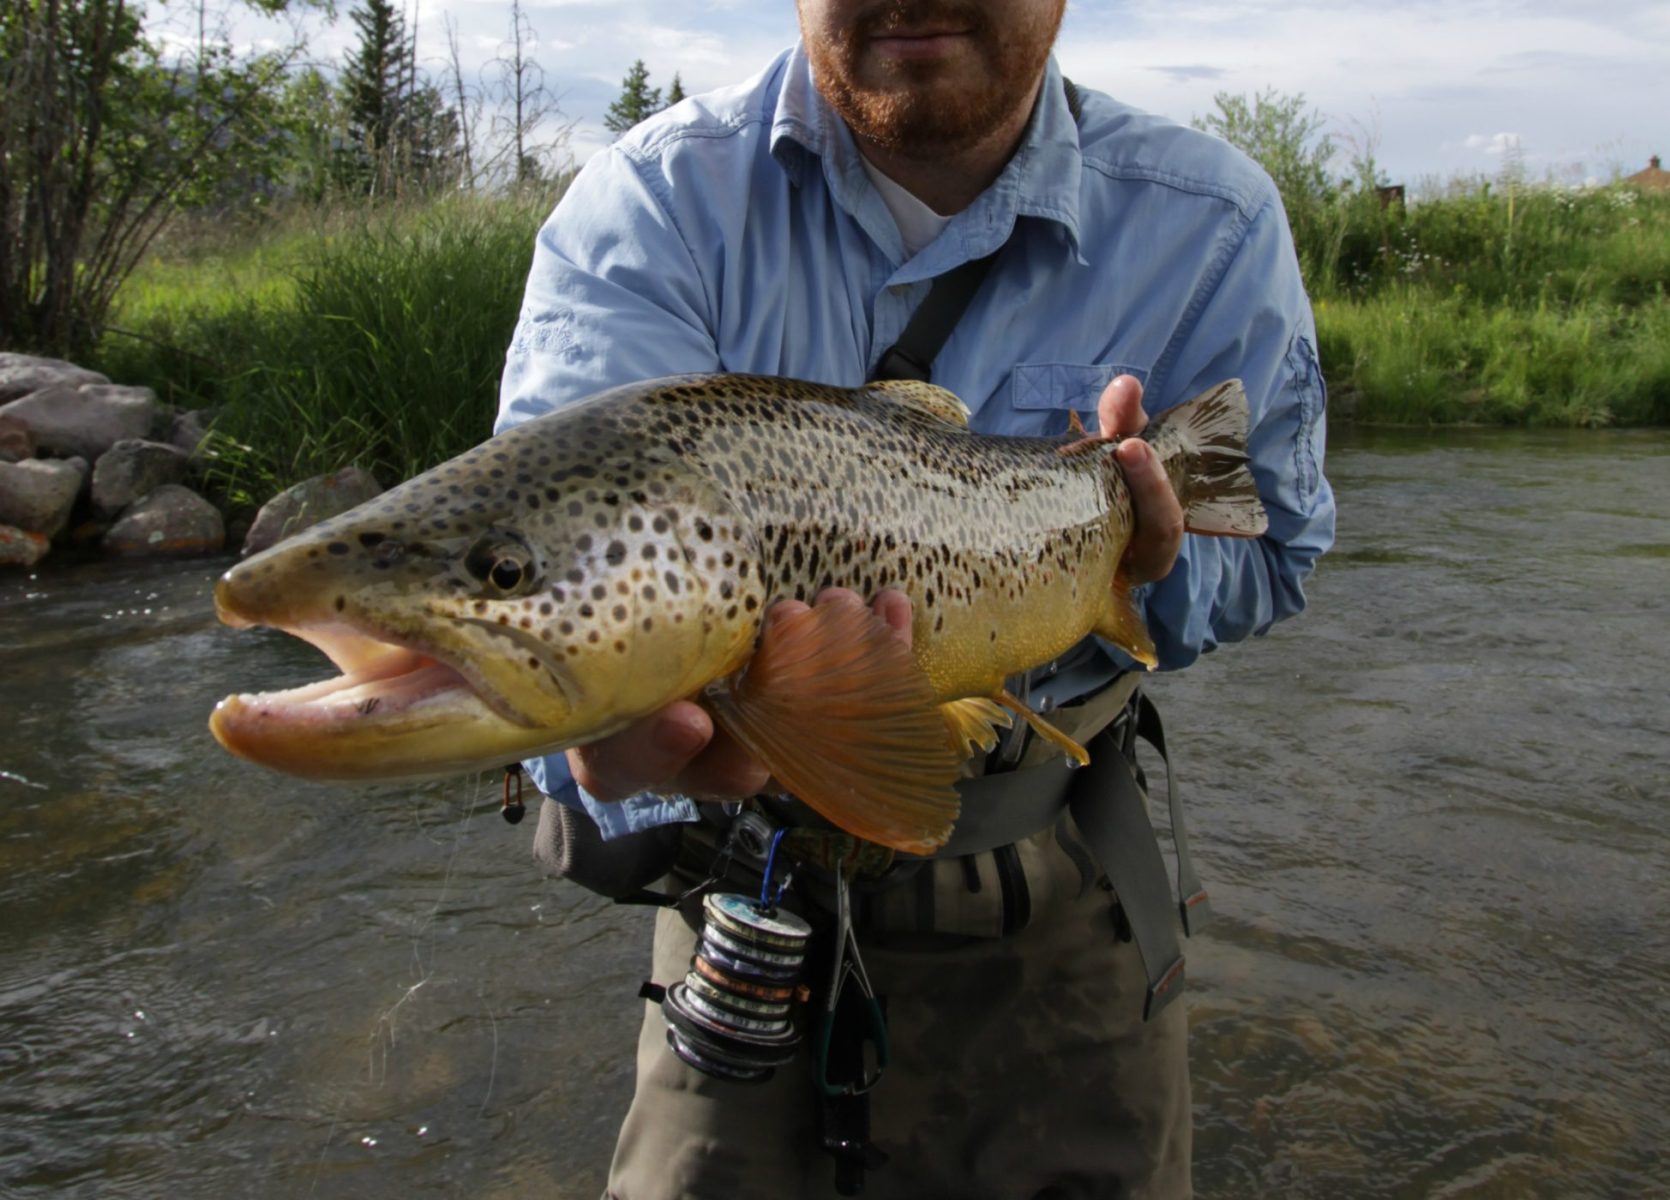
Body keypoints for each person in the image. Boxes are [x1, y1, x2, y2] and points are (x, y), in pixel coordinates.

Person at [497, 1, 1335, 1195]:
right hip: (745, 909)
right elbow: (549, 558)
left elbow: (1276, 549)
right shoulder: (653, 206)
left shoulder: (1205, 223)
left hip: (1061, 911)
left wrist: (1131, 572)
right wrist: (591, 727)